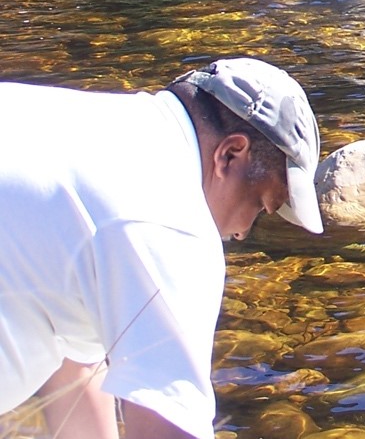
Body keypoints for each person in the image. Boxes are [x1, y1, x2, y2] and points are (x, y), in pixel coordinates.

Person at [0, 57, 324, 439]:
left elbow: (75, 364)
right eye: (259, 205)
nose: (241, 233)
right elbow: (168, 431)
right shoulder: (171, 223)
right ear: (230, 155)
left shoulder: (87, 126)